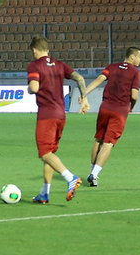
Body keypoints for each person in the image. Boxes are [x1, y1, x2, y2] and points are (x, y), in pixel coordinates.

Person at [27, 35, 89, 203]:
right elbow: (79, 78)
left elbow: (34, 87)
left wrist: (29, 89)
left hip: (46, 114)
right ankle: (44, 193)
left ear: (34, 50)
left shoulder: (34, 65)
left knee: (45, 153)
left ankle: (70, 178)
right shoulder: (60, 65)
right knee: (51, 153)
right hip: (61, 114)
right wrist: (84, 99)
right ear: (47, 49)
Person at [83, 46, 140, 187]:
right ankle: (95, 174)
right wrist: (132, 106)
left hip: (105, 107)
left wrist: (84, 93)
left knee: (98, 139)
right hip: (120, 110)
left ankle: (92, 172)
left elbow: (99, 80)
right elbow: (134, 95)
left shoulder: (112, 67)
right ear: (132, 57)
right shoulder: (136, 72)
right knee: (109, 142)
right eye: (139, 56)